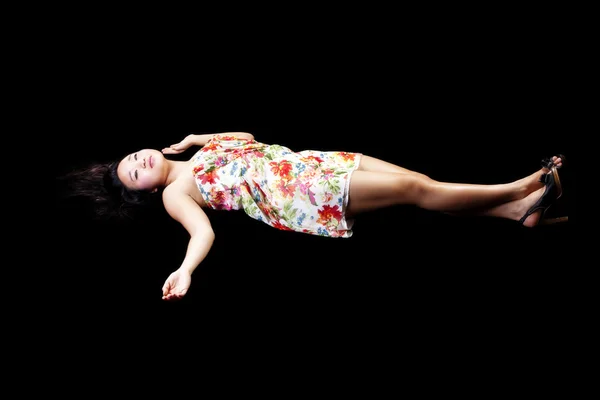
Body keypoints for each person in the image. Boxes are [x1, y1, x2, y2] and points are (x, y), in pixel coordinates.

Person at [60, 132, 566, 301]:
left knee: (424, 184)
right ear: (144, 194)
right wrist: (185, 269)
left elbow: (249, 138)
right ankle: (519, 187)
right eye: (132, 175)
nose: (138, 164)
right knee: (414, 190)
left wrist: (195, 139)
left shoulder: (198, 152)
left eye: (132, 158)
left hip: (313, 162)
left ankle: (515, 212)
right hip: (302, 193)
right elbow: (202, 231)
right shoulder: (177, 193)